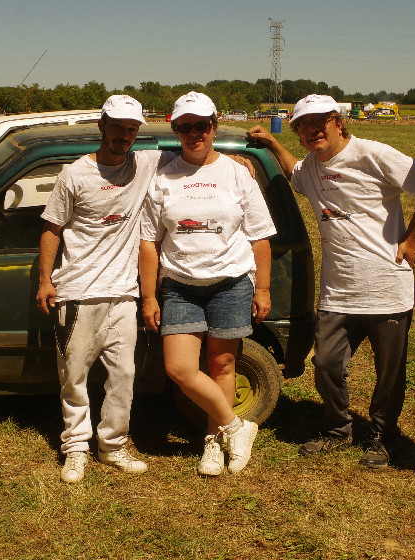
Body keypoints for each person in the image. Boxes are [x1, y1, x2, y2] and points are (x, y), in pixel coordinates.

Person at [247, 94, 415, 469]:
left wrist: (413, 235)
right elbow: (295, 175)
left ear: (339, 122)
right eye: (304, 126)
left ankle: (383, 437)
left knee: (389, 372)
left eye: (320, 122)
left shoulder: (372, 153)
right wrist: (273, 143)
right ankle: (339, 428)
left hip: (386, 285)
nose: (312, 130)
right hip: (338, 290)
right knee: (325, 363)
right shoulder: (310, 166)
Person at [139, 92, 276, 476]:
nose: (194, 133)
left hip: (230, 282)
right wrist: (150, 295)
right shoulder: (163, 176)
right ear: (176, 130)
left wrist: (262, 288)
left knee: (222, 364)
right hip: (180, 285)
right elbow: (149, 241)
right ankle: (237, 426)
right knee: (180, 368)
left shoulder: (237, 173)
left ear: (213, 126)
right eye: (185, 127)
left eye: (201, 125)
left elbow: (260, 236)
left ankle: (214, 442)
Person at [38, 95, 169, 483]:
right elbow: (52, 228)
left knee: (124, 376)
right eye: (117, 128)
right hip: (78, 292)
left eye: (132, 130)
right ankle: (75, 448)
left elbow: (193, 156)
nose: (124, 136)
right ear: (101, 126)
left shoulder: (145, 163)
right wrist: (46, 280)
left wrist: (238, 163)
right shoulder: (74, 175)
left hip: (124, 294)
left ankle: (112, 445)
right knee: (73, 376)